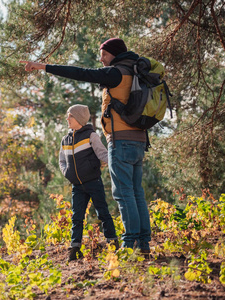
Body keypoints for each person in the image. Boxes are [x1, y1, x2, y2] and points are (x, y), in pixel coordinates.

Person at [20, 38, 151, 253]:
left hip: (121, 141)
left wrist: (42, 66)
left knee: (124, 194)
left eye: (104, 55)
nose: (101, 59)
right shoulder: (135, 72)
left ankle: (130, 245)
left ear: (115, 54)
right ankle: (143, 244)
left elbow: (80, 72)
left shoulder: (116, 72)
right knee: (137, 192)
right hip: (139, 139)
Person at [60, 104, 118, 261]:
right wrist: (67, 173)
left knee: (102, 212)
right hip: (77, 186)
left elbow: (102, 153)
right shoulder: (65, 140)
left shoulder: (91, 136)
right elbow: (62, 161)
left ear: (78, 118)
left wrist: (115, 167)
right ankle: (75, 247)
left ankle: (112, 242)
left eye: (70, 116)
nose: (67, 118)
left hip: (93, 182)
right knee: (77, 216)